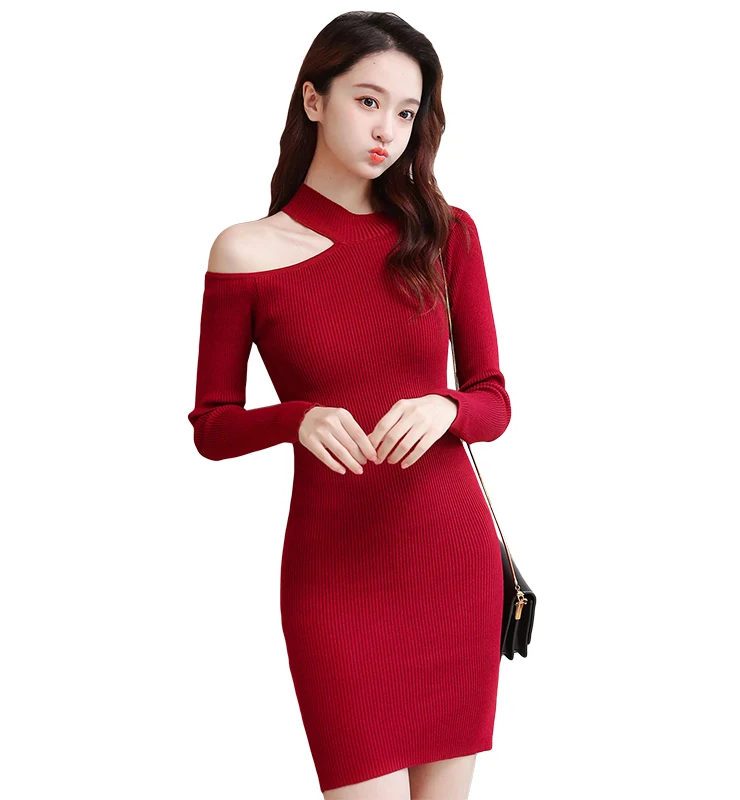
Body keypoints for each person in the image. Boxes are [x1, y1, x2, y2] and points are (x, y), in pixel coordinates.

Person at [188, 11, 511, 800]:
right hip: (334, 575)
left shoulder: (445, 233)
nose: (387, 130)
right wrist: (295, 417)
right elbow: (212, 426)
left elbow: (493, 402)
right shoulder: (246, 251)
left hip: (450, 558)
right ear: (313, 99)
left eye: (406, 111)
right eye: (368, 101)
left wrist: (446, 409)